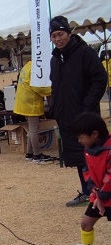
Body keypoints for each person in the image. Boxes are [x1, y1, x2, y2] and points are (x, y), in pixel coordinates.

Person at [49, 15, 108, 207]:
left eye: (60, 34)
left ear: (68, 33)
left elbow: (100, 79)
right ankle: (86, 191)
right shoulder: (55, 59)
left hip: (85, 116)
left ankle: (98, 191)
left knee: (91, 154)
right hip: (66, 115)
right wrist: (55, 109)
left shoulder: (84, 53)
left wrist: (87, 106)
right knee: (77, 155)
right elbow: (55, 86)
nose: (57, 39)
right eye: (54, 36)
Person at [71, 112, 111, 245]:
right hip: (99, 196)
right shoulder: (88, 149)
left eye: (81, 137)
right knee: (86, 223)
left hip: (106, 195)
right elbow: (88, 174)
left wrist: (101, 197)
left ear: (95, 134)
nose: (79, 141)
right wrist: (95, 193)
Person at [13, 61, 53, 162]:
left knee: (32, 129)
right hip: (31, 103)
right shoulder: (35, 69)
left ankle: (29, 153)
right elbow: (38, 87)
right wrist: (51, 90)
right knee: (34, 129)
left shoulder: (27, 66)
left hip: (24, 102)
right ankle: (37, 154)